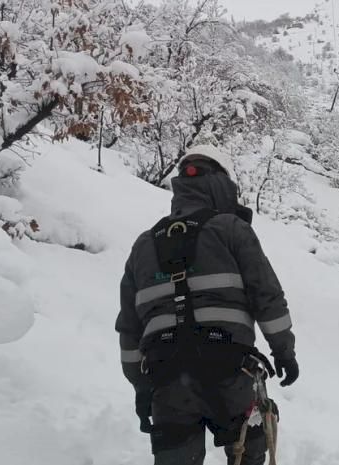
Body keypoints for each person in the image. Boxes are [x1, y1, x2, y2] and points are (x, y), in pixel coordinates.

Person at [115, 145, 299, 465]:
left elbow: (130, 328)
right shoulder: (231, 229)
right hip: (229, 368)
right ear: (221, 184)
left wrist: (141, 388)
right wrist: (284, 351)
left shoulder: (144, 244)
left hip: (166, 375)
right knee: (249, 448)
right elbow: (266, 295)